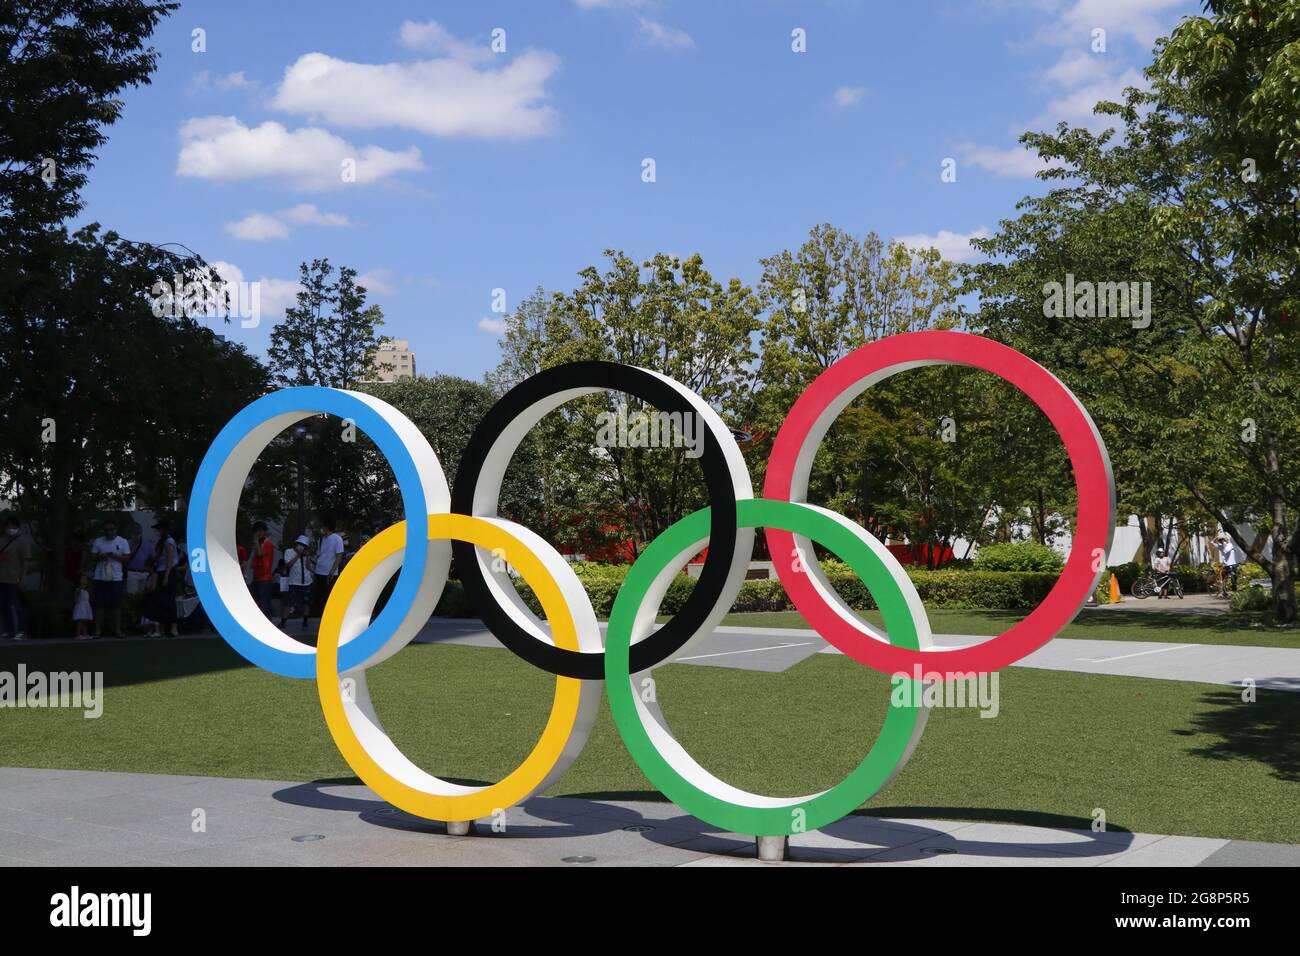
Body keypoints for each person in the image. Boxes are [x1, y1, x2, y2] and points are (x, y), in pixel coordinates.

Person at [89, 520, 130, 637]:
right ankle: (97, 630)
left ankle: (117, 630)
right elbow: (92, 556)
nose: (109, 532)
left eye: (111, 529)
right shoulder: (98, 541)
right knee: (99, 605)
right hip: (100, 576)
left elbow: (127, 558)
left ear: (116, 529)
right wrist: (101, 556)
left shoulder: (123, 541)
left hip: (116, 578)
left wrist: (115, 557)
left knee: (116, 605)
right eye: (106, 530)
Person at [0, 515, 32, 640]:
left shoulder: (22, 541)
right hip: (2, 578)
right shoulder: (2, 540)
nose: (11, 529)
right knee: (4, 606)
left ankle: (21, 630)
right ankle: (8, 630)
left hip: (14, 578)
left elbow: (25, 561)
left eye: (13, 526)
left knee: (17, 606)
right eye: (9, 526)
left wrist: (23, 577)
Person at [146, 523, 180, 637]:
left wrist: (166, 576)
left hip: (168, 572)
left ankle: (174, 627)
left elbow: (170, 560)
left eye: (159, 530)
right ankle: (162, 627)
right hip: (160, 571)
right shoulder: (160, 542)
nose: (157, 532)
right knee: (160, 600)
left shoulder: (169, 541)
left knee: (169, 599)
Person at [311, 517, 345, 619]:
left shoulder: (337, 539)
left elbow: (339, 556)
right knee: (320, 596)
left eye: (323, 526)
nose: (322, 529)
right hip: (319, 571)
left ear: (327, 527)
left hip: (330, 572)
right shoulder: (321, 539)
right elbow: (319, 555)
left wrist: (332, 571)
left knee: (329, 596)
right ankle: (321, 616)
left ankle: (331, 616)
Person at [278, 535, 314, 630]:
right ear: (296, 543)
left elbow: (309, 568)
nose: (301, 546)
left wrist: (308, 556)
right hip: (294, 582)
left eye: (304, 545)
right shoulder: (289, 552)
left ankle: (305, 621)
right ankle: (283, 622)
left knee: (306, 603)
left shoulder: (306, 554)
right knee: (288, 603)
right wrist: (298, 555)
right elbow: (288, 565)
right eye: (300, 544)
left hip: (306, 581)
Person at [249, 521, 278, 618]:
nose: (257, 534)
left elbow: (260, 554)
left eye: (259, 531)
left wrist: (256, 541)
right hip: (257, 577)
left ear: (263, 531)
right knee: (258, 602)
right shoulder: (260, 544)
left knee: (264, 602)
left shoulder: (267, 543)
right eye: (256, 532)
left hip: (264, 578)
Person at [125, 527, 154, 596]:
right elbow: (125, 557)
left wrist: (151, 572)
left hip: (145, 573)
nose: (136, 536)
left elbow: (153, 558)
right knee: (132, 595)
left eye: (138, 534)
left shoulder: (147, 544)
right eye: (134, 534)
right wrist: (133, 548)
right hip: (132, 572)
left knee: (143, 596)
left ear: (141, 534)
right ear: (131, 534)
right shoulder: (127, 543)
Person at [73, 574, 93, 639]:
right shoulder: (78, 590)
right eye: (82, 579)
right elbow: (76, 599)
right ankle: (78, 634)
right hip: (80, 607)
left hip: (86, 606)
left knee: (84, 621)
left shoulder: (87, 590)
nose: (84, 581)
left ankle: (85, 634)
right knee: (79, 621)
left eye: (85, 579)